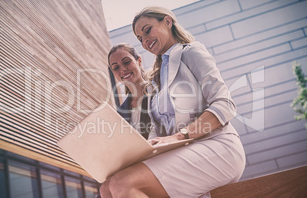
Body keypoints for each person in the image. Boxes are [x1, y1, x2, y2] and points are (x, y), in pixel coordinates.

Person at [100, 7, 246, 198]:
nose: (145, 40)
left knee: (122, 183)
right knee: (106, 188)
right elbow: (158, 132)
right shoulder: (159, 77)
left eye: (147, 30)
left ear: (168, 22)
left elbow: (225, 104)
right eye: (140, 38)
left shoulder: (191, 52)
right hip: (185, 151)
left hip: (216, 145)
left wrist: (180, 136)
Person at [108, 43, 151, 139]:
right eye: (116, 68)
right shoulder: (121, 112)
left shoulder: (158, 92)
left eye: (126, 62)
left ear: (139, 61)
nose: (122, 69)